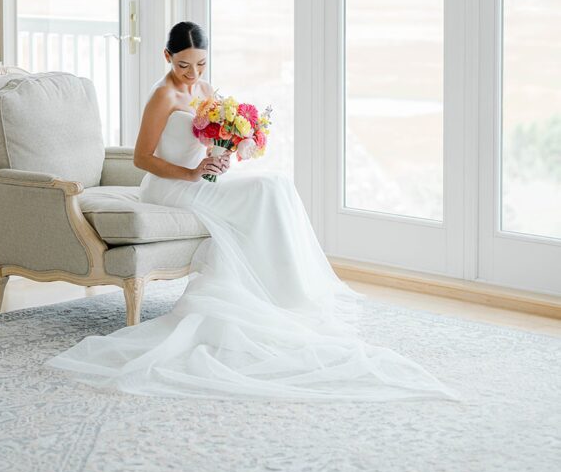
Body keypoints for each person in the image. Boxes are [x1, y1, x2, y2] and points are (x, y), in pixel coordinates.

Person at [45, 21, 457, 402]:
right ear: (166, 57)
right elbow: (141, 159)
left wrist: (221, 155)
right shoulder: (163, 95)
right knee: (265, 190)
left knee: (274, 184)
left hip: (199, 177)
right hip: (168, 188)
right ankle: (283, 293)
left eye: (201, 64)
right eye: (184, 65)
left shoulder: (205, 91)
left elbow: (206, 142)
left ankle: (284, 292)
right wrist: (191, 172)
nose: (193, 74)